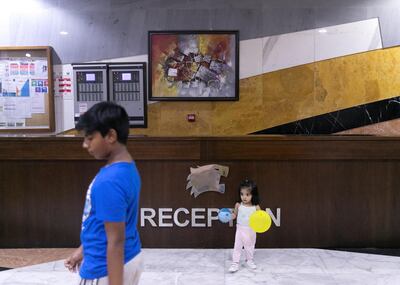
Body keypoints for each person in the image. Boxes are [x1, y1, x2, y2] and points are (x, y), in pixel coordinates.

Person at [64, 101, 143, 285]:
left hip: (103, 268)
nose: (85, 144)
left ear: (111, 136)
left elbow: (115, 242)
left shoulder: (109, 181)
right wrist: (83, 250)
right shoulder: (127, 168)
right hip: (127, 257)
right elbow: (104, 223)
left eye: (90, 138)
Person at [228, 179, 261, 273]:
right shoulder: (238, 205)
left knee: (250, 246)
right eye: (242, 194)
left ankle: (249, 260)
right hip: (240, 229)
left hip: (251, 229)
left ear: (253, 195)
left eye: (247, 194)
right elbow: (235, 215)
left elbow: (261, 218)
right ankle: (235, 263)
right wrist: (229, 216)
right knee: (237, 246)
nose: (244, 197)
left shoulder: (256, 207)